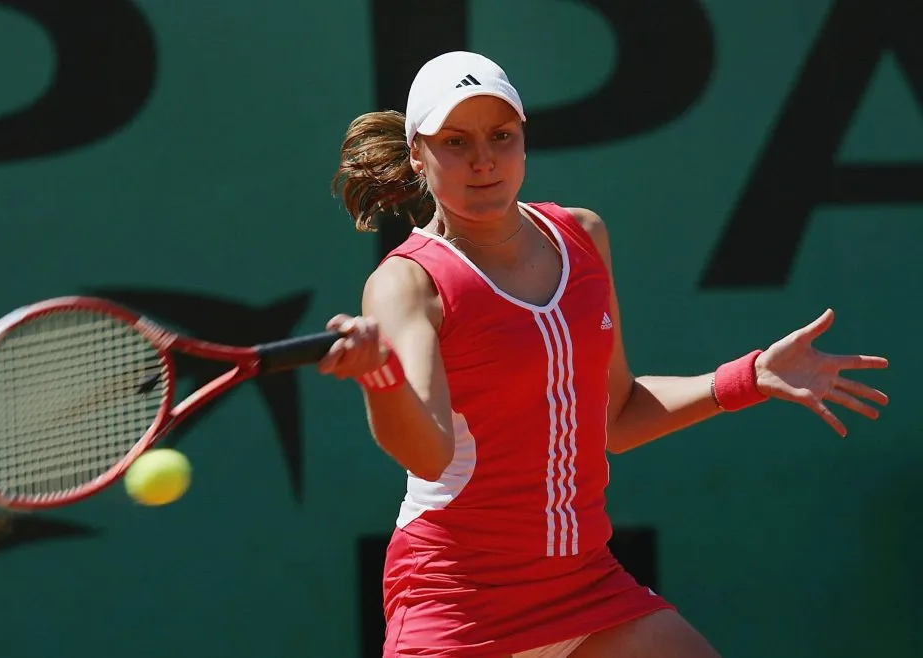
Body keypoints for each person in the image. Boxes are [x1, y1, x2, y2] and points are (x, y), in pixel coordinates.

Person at [320, 51, 889, 658]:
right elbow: (429, 454)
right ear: (417, 153)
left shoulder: (582, 236)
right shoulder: (407, 283)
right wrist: (380, 379)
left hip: (584, 586)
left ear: (523, 140)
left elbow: (617, 415)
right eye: (455, 142)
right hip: (456, 600)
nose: (483, 160)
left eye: (501, 136)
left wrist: (750, 376)